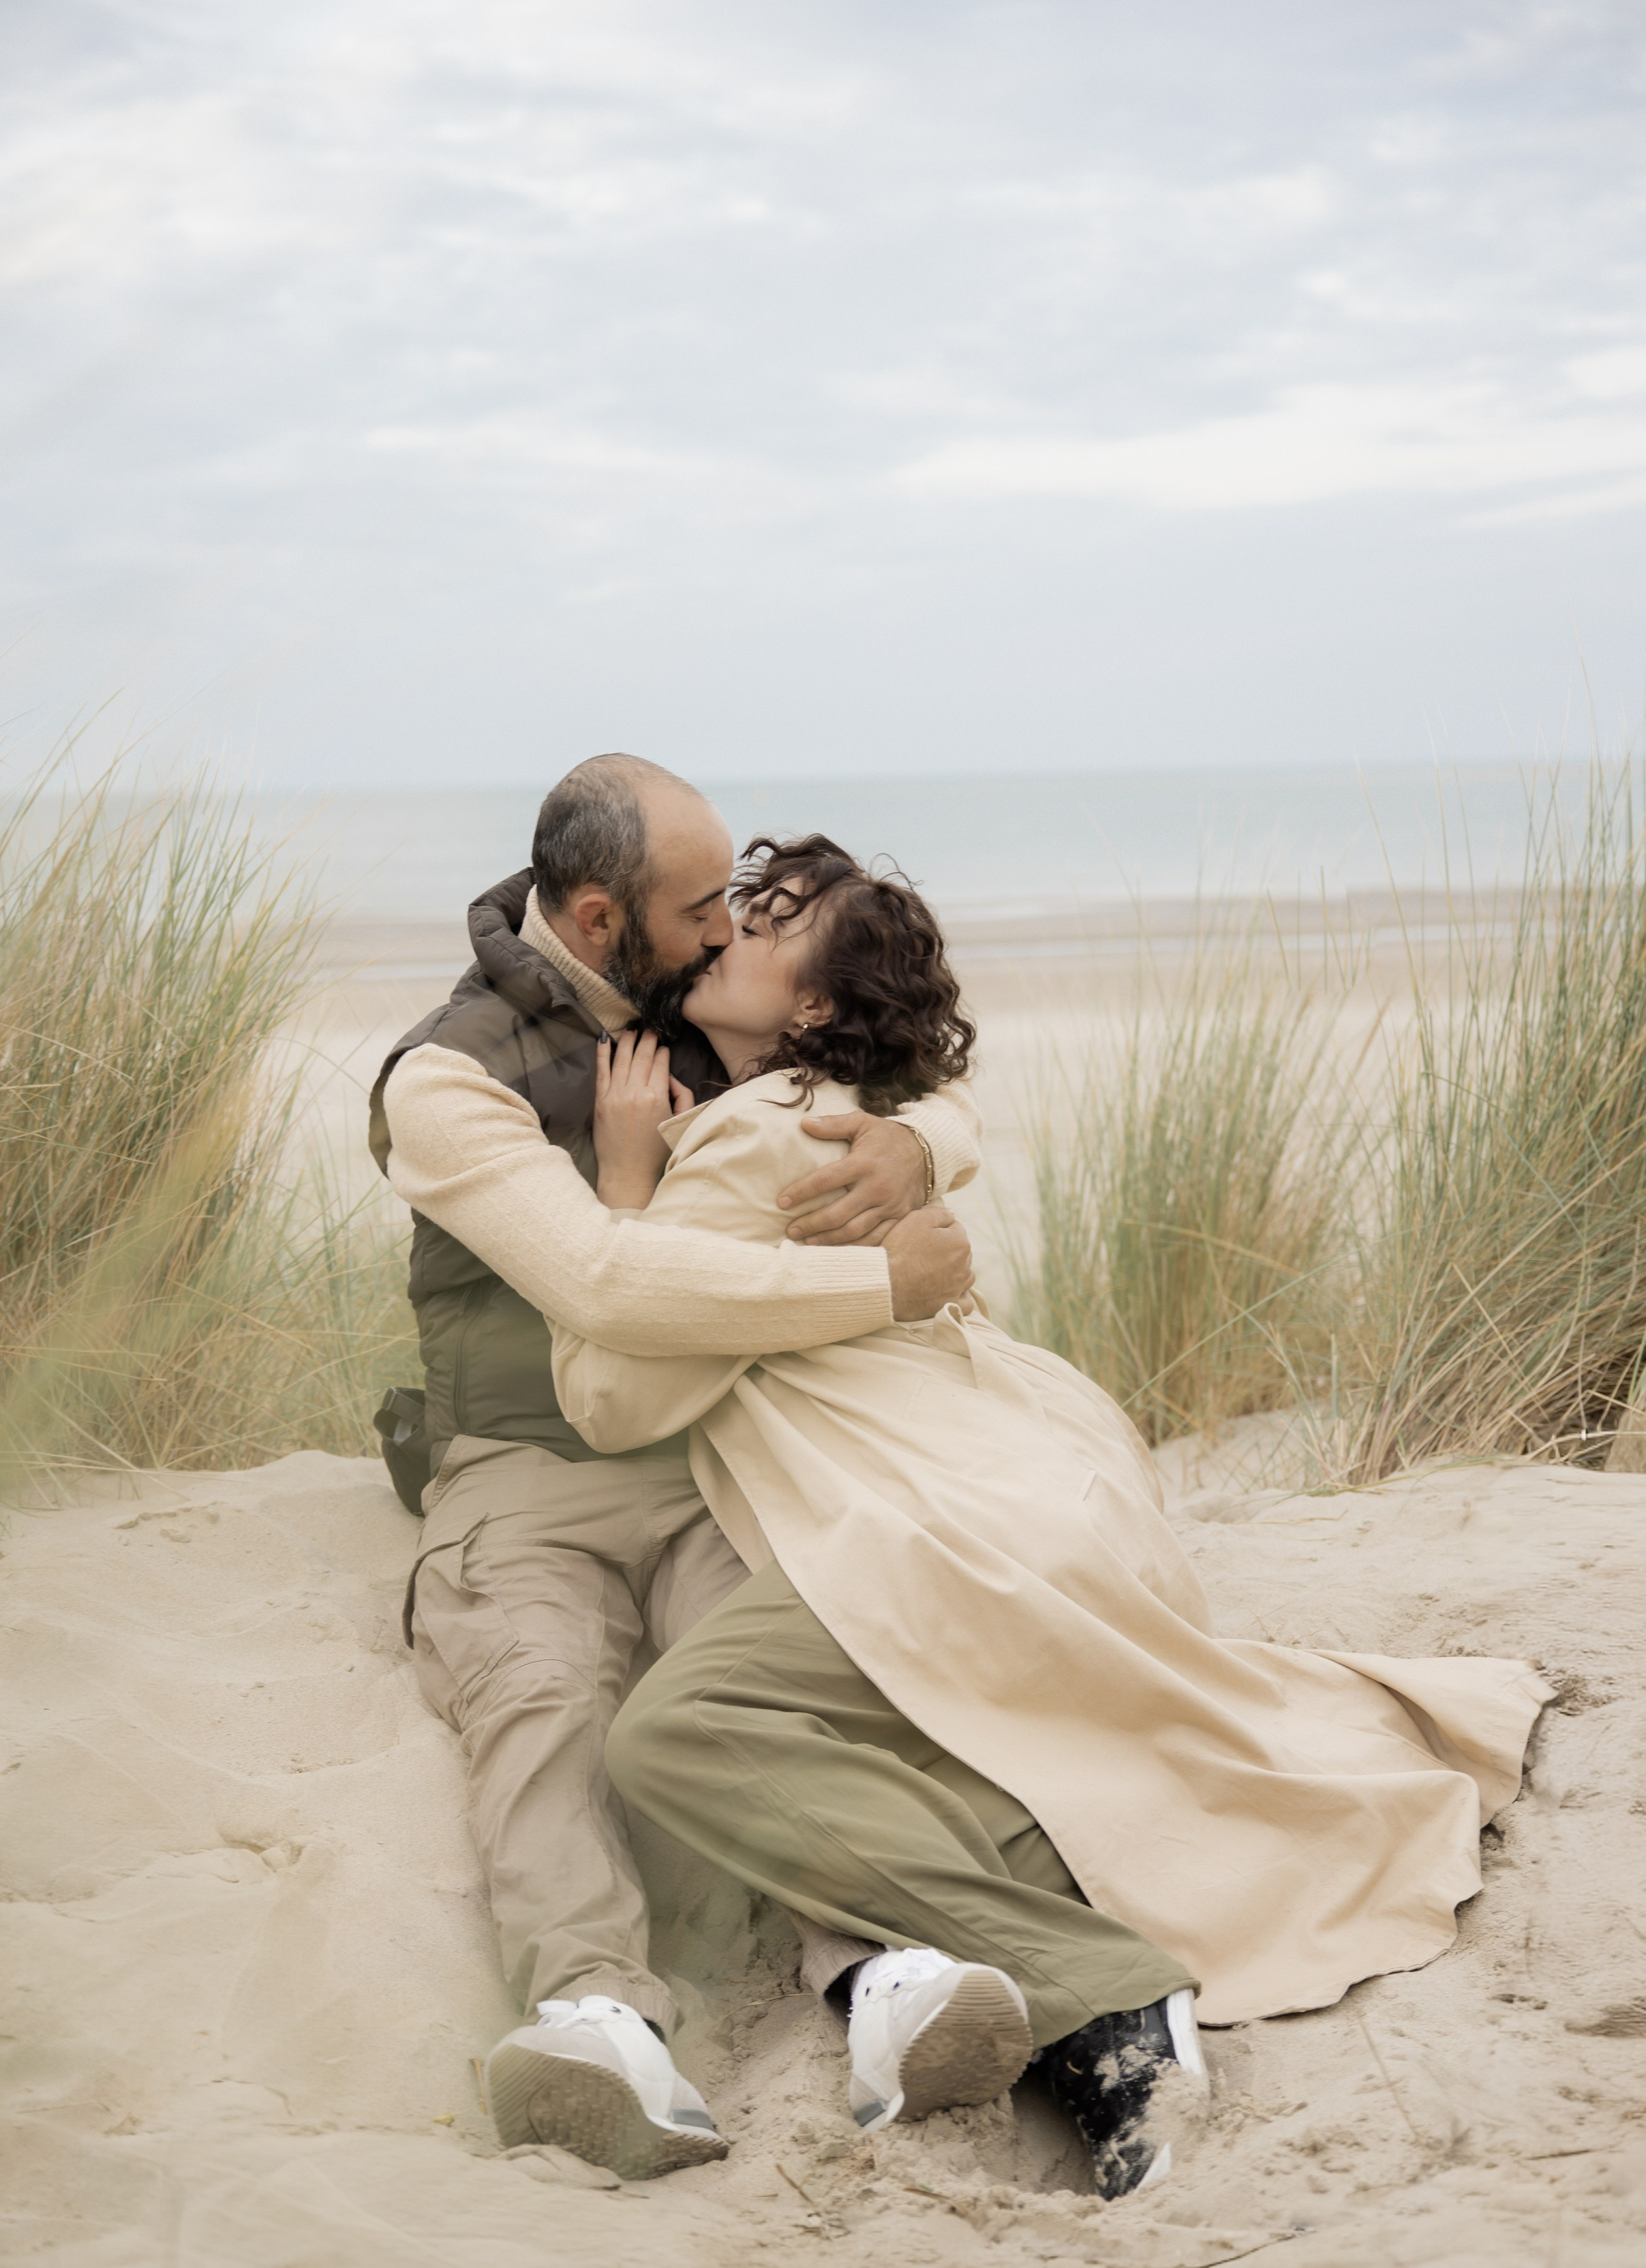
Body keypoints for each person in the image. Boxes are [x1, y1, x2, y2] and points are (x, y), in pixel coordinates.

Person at [546, 837, 1552, 2198]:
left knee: (677, 1731)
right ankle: (1115, 2048)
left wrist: (617, 1184)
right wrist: (921, 1136)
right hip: (1037, 1462)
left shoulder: (744, 1148)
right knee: (972, 1752)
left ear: (814, 1012)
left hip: (942, 1508)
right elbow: (945, 1112)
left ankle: (1104, 1996)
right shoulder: (855, 1118)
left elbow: (610, 1394)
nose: (726, 925)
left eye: (768, 918)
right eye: (729, 904)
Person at [371, 758, 984, 2179]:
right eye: (702, 906)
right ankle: (593, 2015)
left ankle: (883, 1975)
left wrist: (909, 1144)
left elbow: (923, 1076)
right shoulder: (443, 1079)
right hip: (522, 1471)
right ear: (599, 919)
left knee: (756, 1680)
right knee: (539, 1696)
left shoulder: (694, 1007)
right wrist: (877, 1289)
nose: (727, 931)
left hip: (714, 1449)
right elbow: (600, 1283)